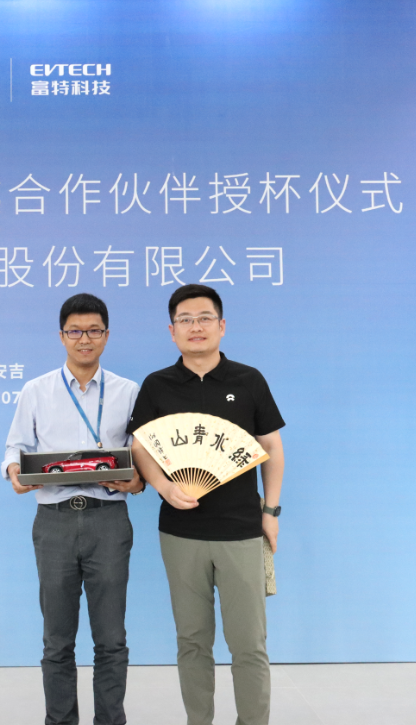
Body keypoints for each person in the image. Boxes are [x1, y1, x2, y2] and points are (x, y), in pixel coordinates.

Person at [127, 284, 285, 725]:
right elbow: (140, 446)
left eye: (204, 318)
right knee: (192, 641)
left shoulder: (249, 380)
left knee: (249, 643)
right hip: (181, 533)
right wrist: (162, 486)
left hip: (241, 530)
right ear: (172, 330)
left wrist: (271, 513)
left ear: (222, 325)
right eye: (185, 320)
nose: (195, 327)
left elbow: (272, 447)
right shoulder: (157, 385)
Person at [2, 293, 145, 725]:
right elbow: (15, 447)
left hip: (108, 520)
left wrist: (137, 481)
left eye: (94, 330)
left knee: (111, 639)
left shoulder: (128, 392)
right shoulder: (36, 390)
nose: (85, 339)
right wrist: (14, 471)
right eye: (75, 331)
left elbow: (142, 457)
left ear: (107, 335)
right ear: (61, 336)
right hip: (54, 523)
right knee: (57, 641)